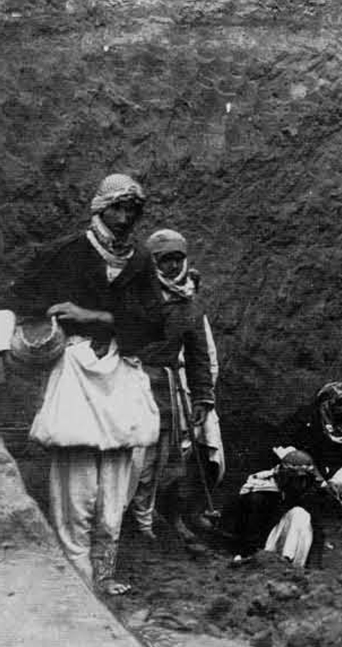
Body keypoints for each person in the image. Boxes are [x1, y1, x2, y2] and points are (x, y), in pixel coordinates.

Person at [2, 173, 163, 595]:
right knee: (76, 492)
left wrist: (97, 318)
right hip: (75, 373)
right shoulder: (66, 253)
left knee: (113, 496)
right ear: (99, 208)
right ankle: (78, 582)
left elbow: (155, 323)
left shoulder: (141, 261)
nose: (125, 217)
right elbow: (16, 300)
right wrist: (30, 338)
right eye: (118, 208)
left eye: (133, 209)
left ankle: (105, 575)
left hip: (122, 372)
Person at [129, 229, 218, 549]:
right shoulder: (134, 293)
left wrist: (202, 396)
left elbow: (198, 355)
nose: (170, 266)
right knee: (132, 452)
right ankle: (122, 517)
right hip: (130, 380)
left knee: (162, 456)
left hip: (165, 386)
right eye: (163, 260)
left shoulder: (189, 303)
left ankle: (146, 518)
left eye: (176, 259)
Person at [229, 448, 331, 569]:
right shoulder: (262, 493)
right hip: (262, 547)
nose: (300, 484)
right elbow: (245, 528)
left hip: (285, 547)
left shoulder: (307, 494)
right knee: (298, 514)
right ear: (284, 475)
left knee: (300, 515)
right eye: (296, 479)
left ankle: (291, 564)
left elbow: (317, 528)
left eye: (304, 479)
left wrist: (315, 565)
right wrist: (248, 555)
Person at [286, 380, 342, 505]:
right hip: (311, 494)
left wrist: (339, 482)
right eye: (337, 404)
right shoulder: (305, 431)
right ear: (323, 407)